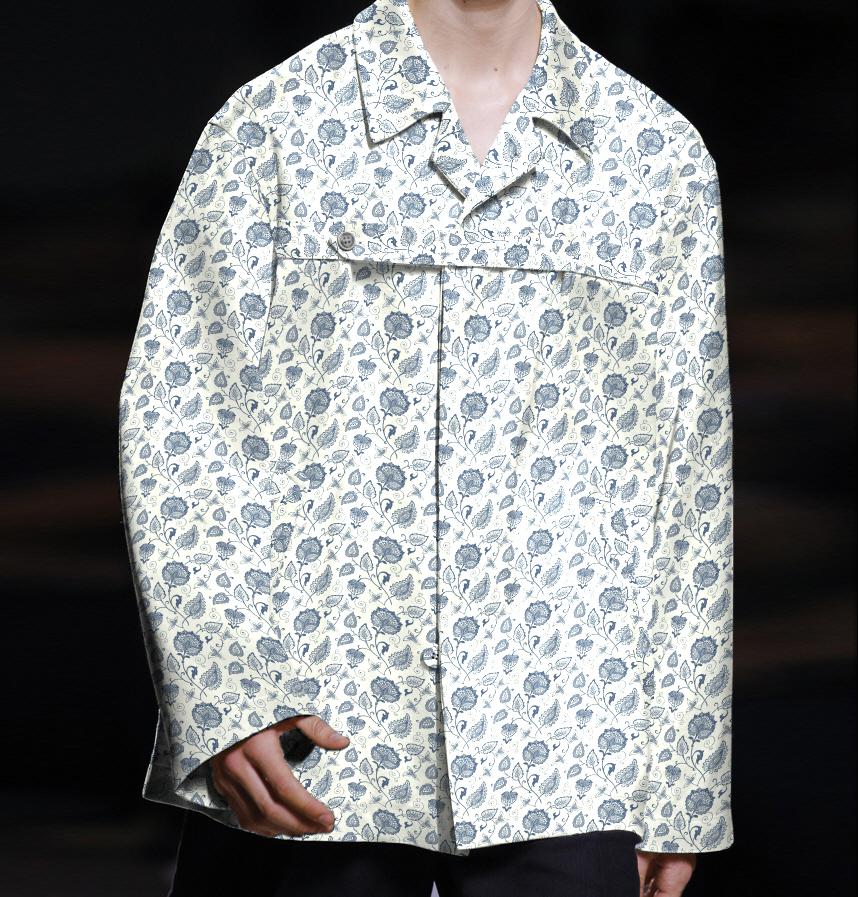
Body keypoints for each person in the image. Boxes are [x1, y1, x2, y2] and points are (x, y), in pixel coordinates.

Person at [119, 0, 734, 894]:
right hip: (314, 727)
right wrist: (224, 690)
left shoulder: (654, 152)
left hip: (571, 746)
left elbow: (689, 479)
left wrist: (683, 780)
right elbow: (181, 418)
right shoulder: (276, 126)